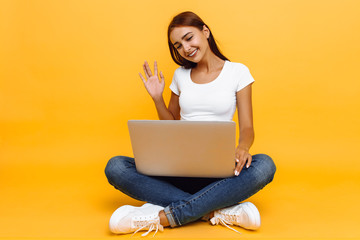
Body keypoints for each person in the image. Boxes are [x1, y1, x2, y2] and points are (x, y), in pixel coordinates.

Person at [105, 11, 276, 237]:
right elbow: (171, 126)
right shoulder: (180, 75)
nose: (185, 48)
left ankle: (166, 216)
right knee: (116, 166)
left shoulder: (238, 72)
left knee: (265, 165)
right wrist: (157, 98)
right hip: (179, 171)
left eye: (189, 38)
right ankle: (214, 211)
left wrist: (243, 147)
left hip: (221, 173)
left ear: (205, 32)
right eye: (178, 45)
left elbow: (247, 128)